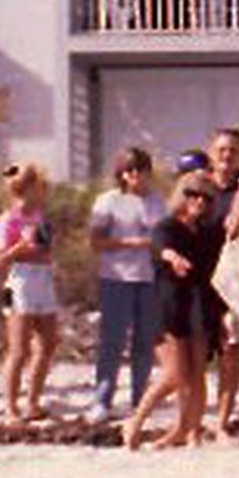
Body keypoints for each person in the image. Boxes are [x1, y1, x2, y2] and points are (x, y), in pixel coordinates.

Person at [123, 173, 218, 448]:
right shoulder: (167, 226)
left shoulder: (208, 233)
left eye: (206, 197)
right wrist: (172, 256)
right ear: (182, 195)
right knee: (176, 374)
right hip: (168, 306)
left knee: (198, 373)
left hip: (198, 304)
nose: (199, 201)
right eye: (193, 194)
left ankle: (188, 431)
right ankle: (135, 422)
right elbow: (159, 247)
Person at [88, 145, 160, 421]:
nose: (135, 175)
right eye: (130, 170)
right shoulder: (108, 201)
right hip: (116, 278)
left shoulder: (157, 201)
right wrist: (132, 243)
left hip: (149, 279)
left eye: (141, 169)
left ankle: (140, 399)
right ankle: (102, 399)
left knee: (144, 343)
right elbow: (95, 241)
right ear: (121, 173)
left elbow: (163, 238)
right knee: (112, 342)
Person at [0, 161, 59, 427]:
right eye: (40, 186)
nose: (44, 191)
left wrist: (44, 246)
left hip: (43, 278)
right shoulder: (7, 221)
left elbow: (45, 250)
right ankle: (10, 407)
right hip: (19, 281)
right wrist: (21, 244)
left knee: (48, 343)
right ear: (28, 188)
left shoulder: (41, 217)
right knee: (18, 350)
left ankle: (33, 401)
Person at [201, 127, 239, 438]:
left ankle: (222, 419)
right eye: (222, 150)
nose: (227, 156)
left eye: (233, 150)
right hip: (199, 281)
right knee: (197, 353)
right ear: (212, 152)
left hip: (235, 281)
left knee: (230, 349)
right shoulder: (197, 188)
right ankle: (192, 418)